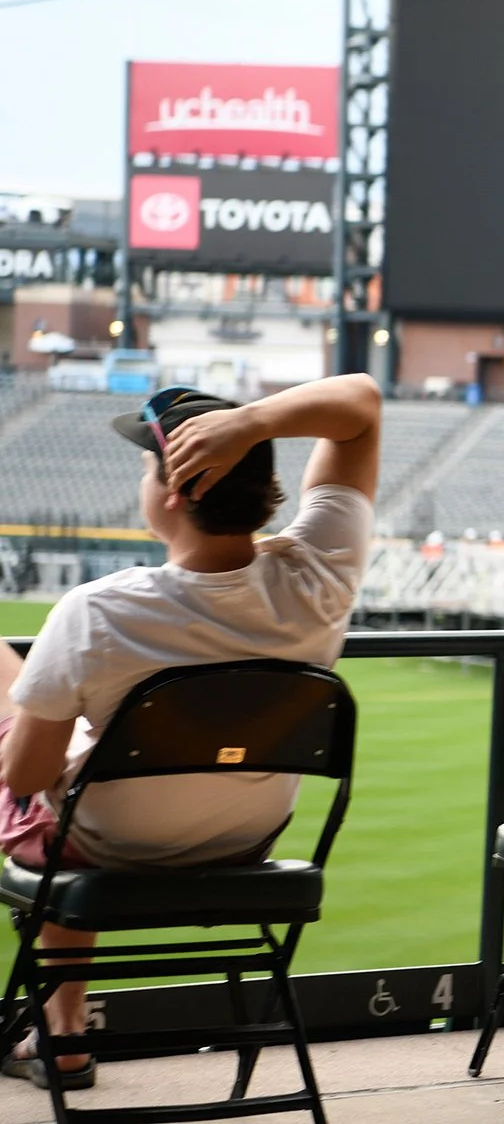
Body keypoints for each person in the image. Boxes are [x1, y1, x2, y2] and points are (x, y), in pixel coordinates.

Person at [0, 374, 380, 1092]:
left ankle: (63, 1035)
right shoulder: (320, 578)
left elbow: (24, 779)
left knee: (28, 761)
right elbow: (360, 404)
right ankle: (61, 1032)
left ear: (171, 493)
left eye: (148, 467)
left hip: (107, 847)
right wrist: (251, 424)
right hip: (246, 838)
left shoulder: (94, 611)